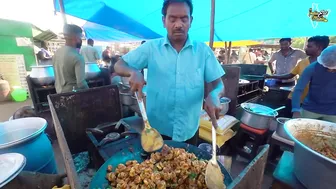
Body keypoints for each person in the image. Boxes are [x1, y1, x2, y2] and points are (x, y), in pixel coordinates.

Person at [114, 0, 225, 145]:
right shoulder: (151, 48)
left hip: (189, 131)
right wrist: (133, 72)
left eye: (184, 19)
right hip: (156, 132)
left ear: (190, 21)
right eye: (172, 19)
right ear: (164, 21)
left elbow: (220, 85)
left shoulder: (203, 51)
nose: (178, 24)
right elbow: (119, 65)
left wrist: (215, 94)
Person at [266, 36, 330, 117]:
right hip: (294, 99)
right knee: (286, 119)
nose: (306, 48)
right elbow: (290, 75)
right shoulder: (303, 62)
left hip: (312, 103)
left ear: (319, 47)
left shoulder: (329, 65)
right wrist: (272, 76)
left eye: (309, 46)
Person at [292, 45, 336, 122]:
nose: (330, 70)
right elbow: (298, 89)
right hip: (310, 108)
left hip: (333, 111)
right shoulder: (312, 68)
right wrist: (296, 110)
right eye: (327, 67)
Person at [53, 24, 88, 93]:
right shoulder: (77, 57)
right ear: (75, 37)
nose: (81, 40)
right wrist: (91, 92)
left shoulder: (57, 53)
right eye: (80, 37)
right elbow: (81, 83)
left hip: (59, 94)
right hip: (73, 96)